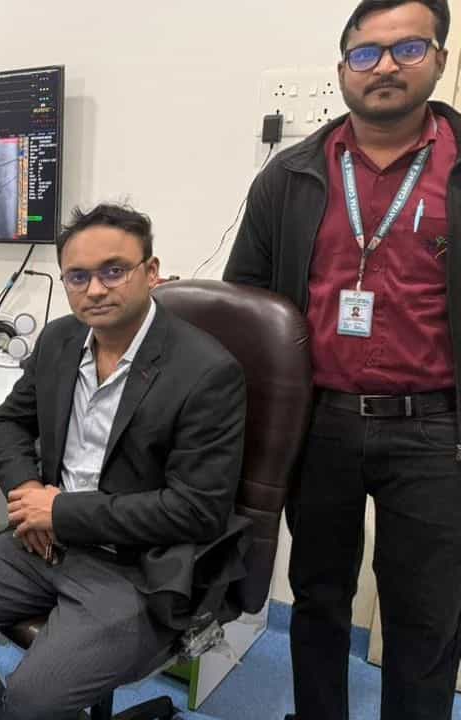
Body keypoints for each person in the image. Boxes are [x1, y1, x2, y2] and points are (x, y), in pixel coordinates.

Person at [0, 204, 247, 719]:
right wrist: (27, 494)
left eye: (114, 270)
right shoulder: (60, 339)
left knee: (30, 701)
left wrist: (61, 511)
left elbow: (197, 509)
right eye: (78, 276)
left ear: (152, 272)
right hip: (42, 542)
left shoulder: (207, 371)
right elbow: (9, 422)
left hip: (134, 564)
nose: (95, 289)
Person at [223, 1, 461, 717]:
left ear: (439, 59)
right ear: (342, 69)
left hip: (435, 430)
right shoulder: (290, 176)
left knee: (426, 612)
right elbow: (246, 303)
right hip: (319, 422)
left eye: (407, 48)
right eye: (366, 53)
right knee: (319, 595)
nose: (384, 66)